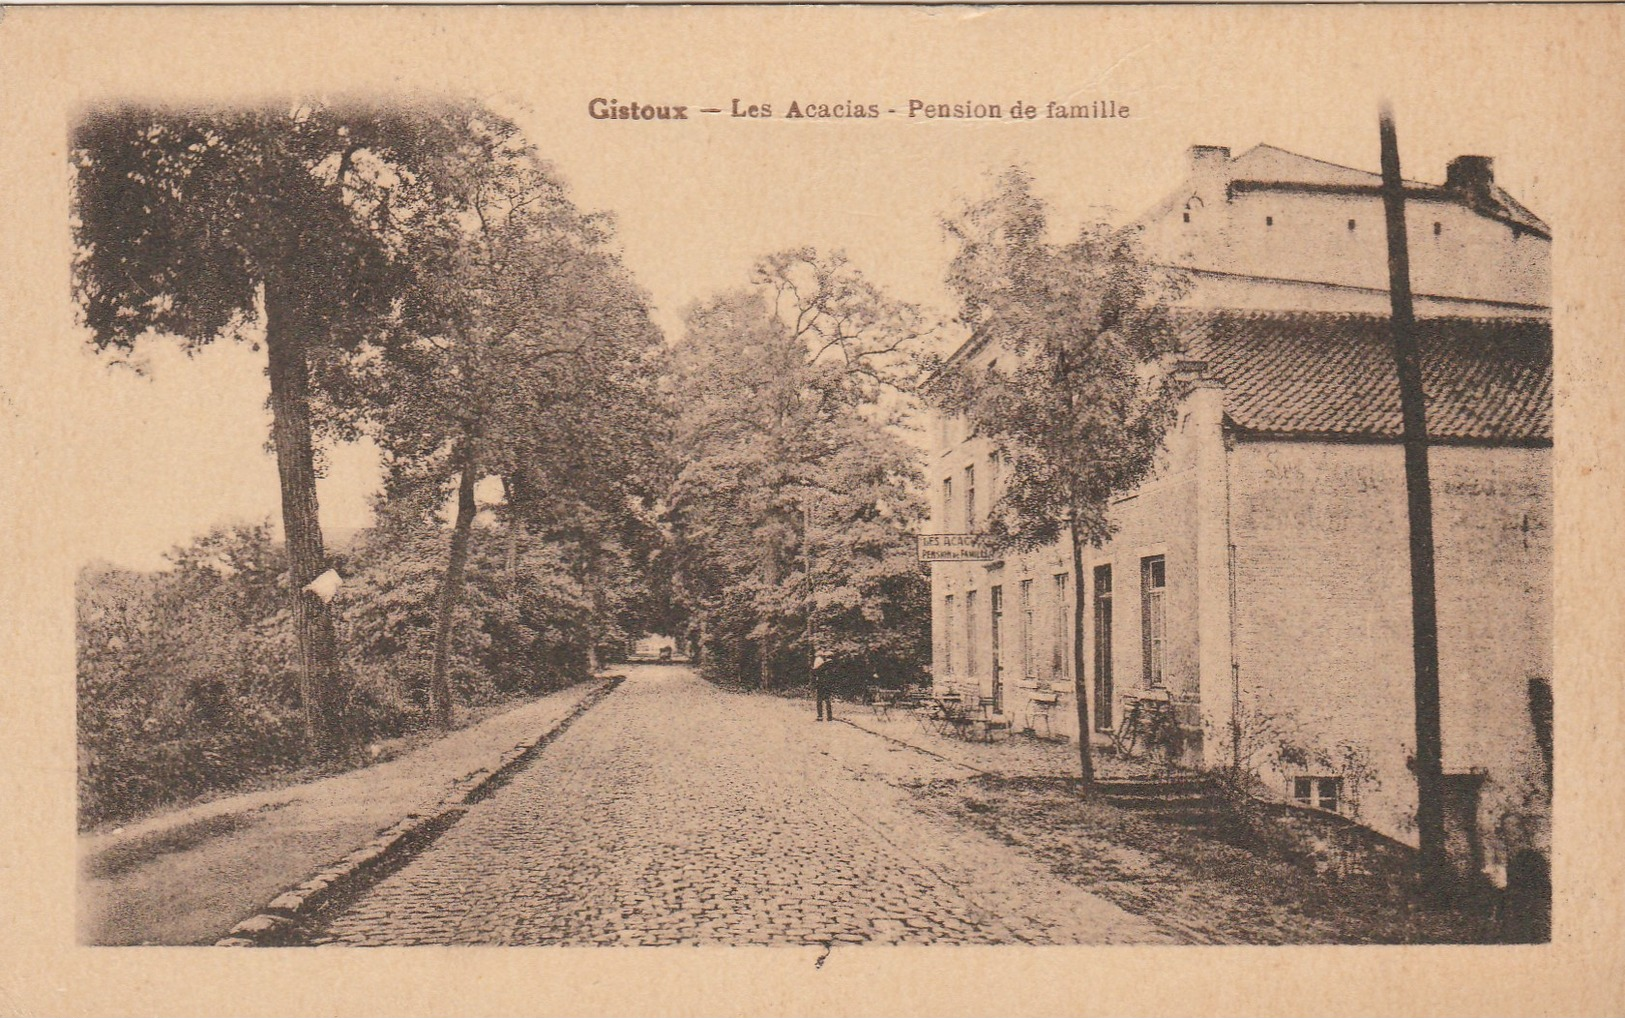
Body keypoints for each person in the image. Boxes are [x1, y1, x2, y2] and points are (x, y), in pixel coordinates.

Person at [813, 655, 835, 721]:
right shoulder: (832, 667)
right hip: (828, 685)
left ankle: (820, 716)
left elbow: (815, 671)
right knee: (827, 700)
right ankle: (829, 716)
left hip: (821, 685)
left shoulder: (822, 666)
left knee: (819, 700)